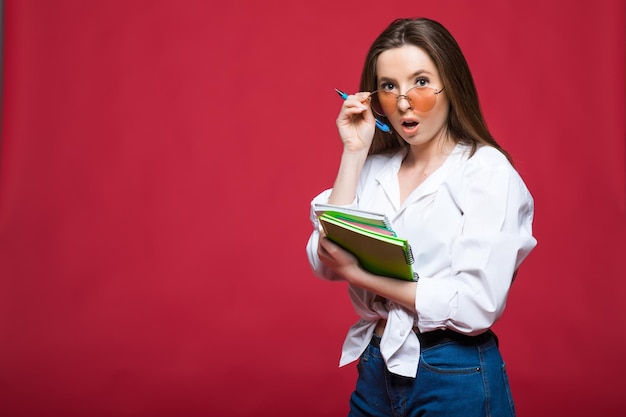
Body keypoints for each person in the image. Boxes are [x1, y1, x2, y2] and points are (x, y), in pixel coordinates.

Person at [305, 17, 537, 417]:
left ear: (452, 86)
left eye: (421, 82)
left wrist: (360, 275)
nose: (405, 102)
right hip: (376, 365)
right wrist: (354, 153)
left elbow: (475, 305)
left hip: (453, 372)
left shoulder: (486, 171)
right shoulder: (374, 167)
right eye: (389, 87)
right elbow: (323, 259)